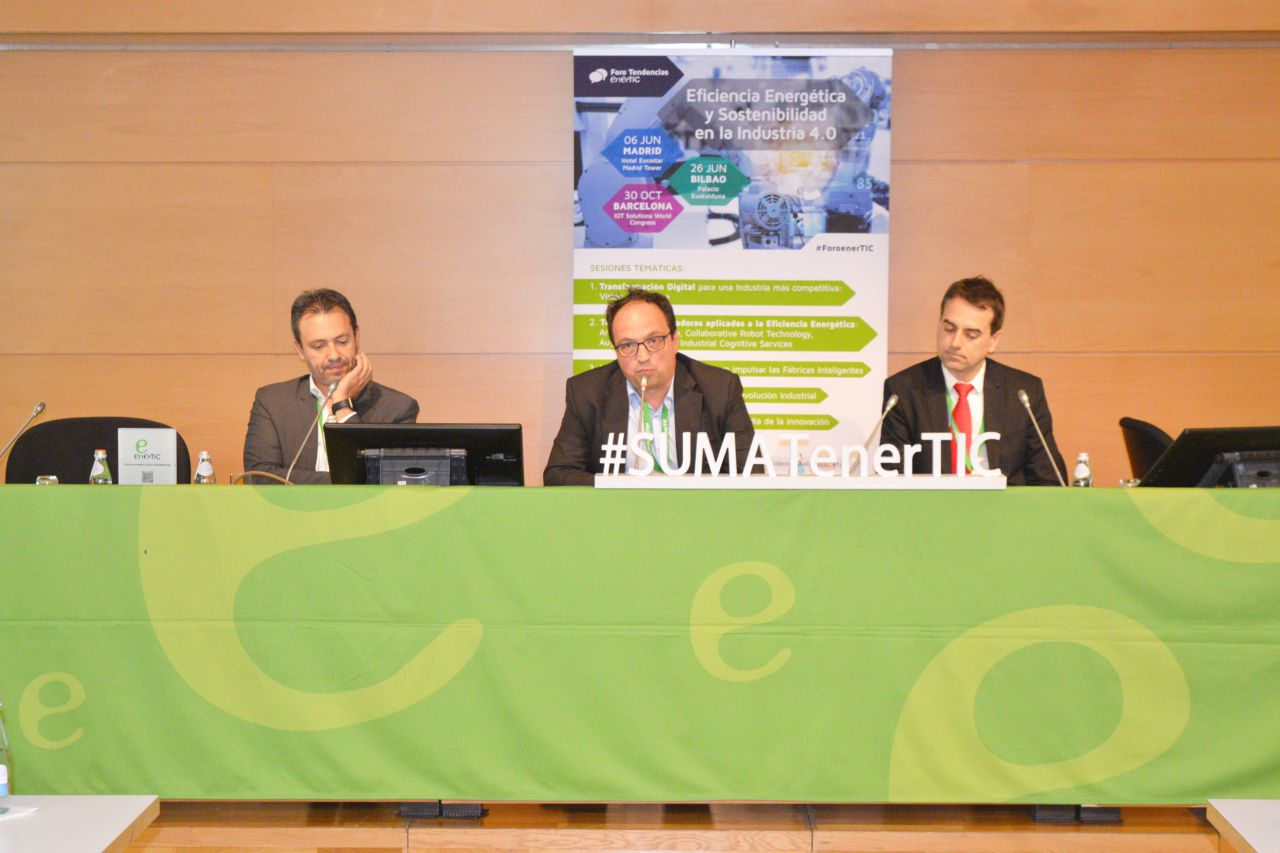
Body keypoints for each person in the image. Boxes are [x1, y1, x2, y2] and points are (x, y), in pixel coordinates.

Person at [544, 288, 755, 486]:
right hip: (618, 511)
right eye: (627, 345)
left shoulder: (720, 389)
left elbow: (751, 474)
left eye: (653, 341)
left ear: (674, 341)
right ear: (616, 351)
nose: (642, 356)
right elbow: (559, 474)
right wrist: (623, 490)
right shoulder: (587, 393)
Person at [879, 276, 1066, 485]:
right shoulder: (903, 391)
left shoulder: (1023, 393)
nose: (955, 342)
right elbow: (890, 480)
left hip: (1004, 505)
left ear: (993, 341)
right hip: (933, 504)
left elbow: (1048, 479)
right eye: (949, 328)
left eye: (971, 334)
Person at [243, 289, 419, 484]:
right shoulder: (272, 402)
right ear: (300, 350)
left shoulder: (397, 408)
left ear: (356, 337)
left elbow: (389, 480)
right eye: (319, 346)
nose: (334, 355)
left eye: (342, 341)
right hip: (292, 505)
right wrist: (343, 481)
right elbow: (259, 476)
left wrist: (342, 405)